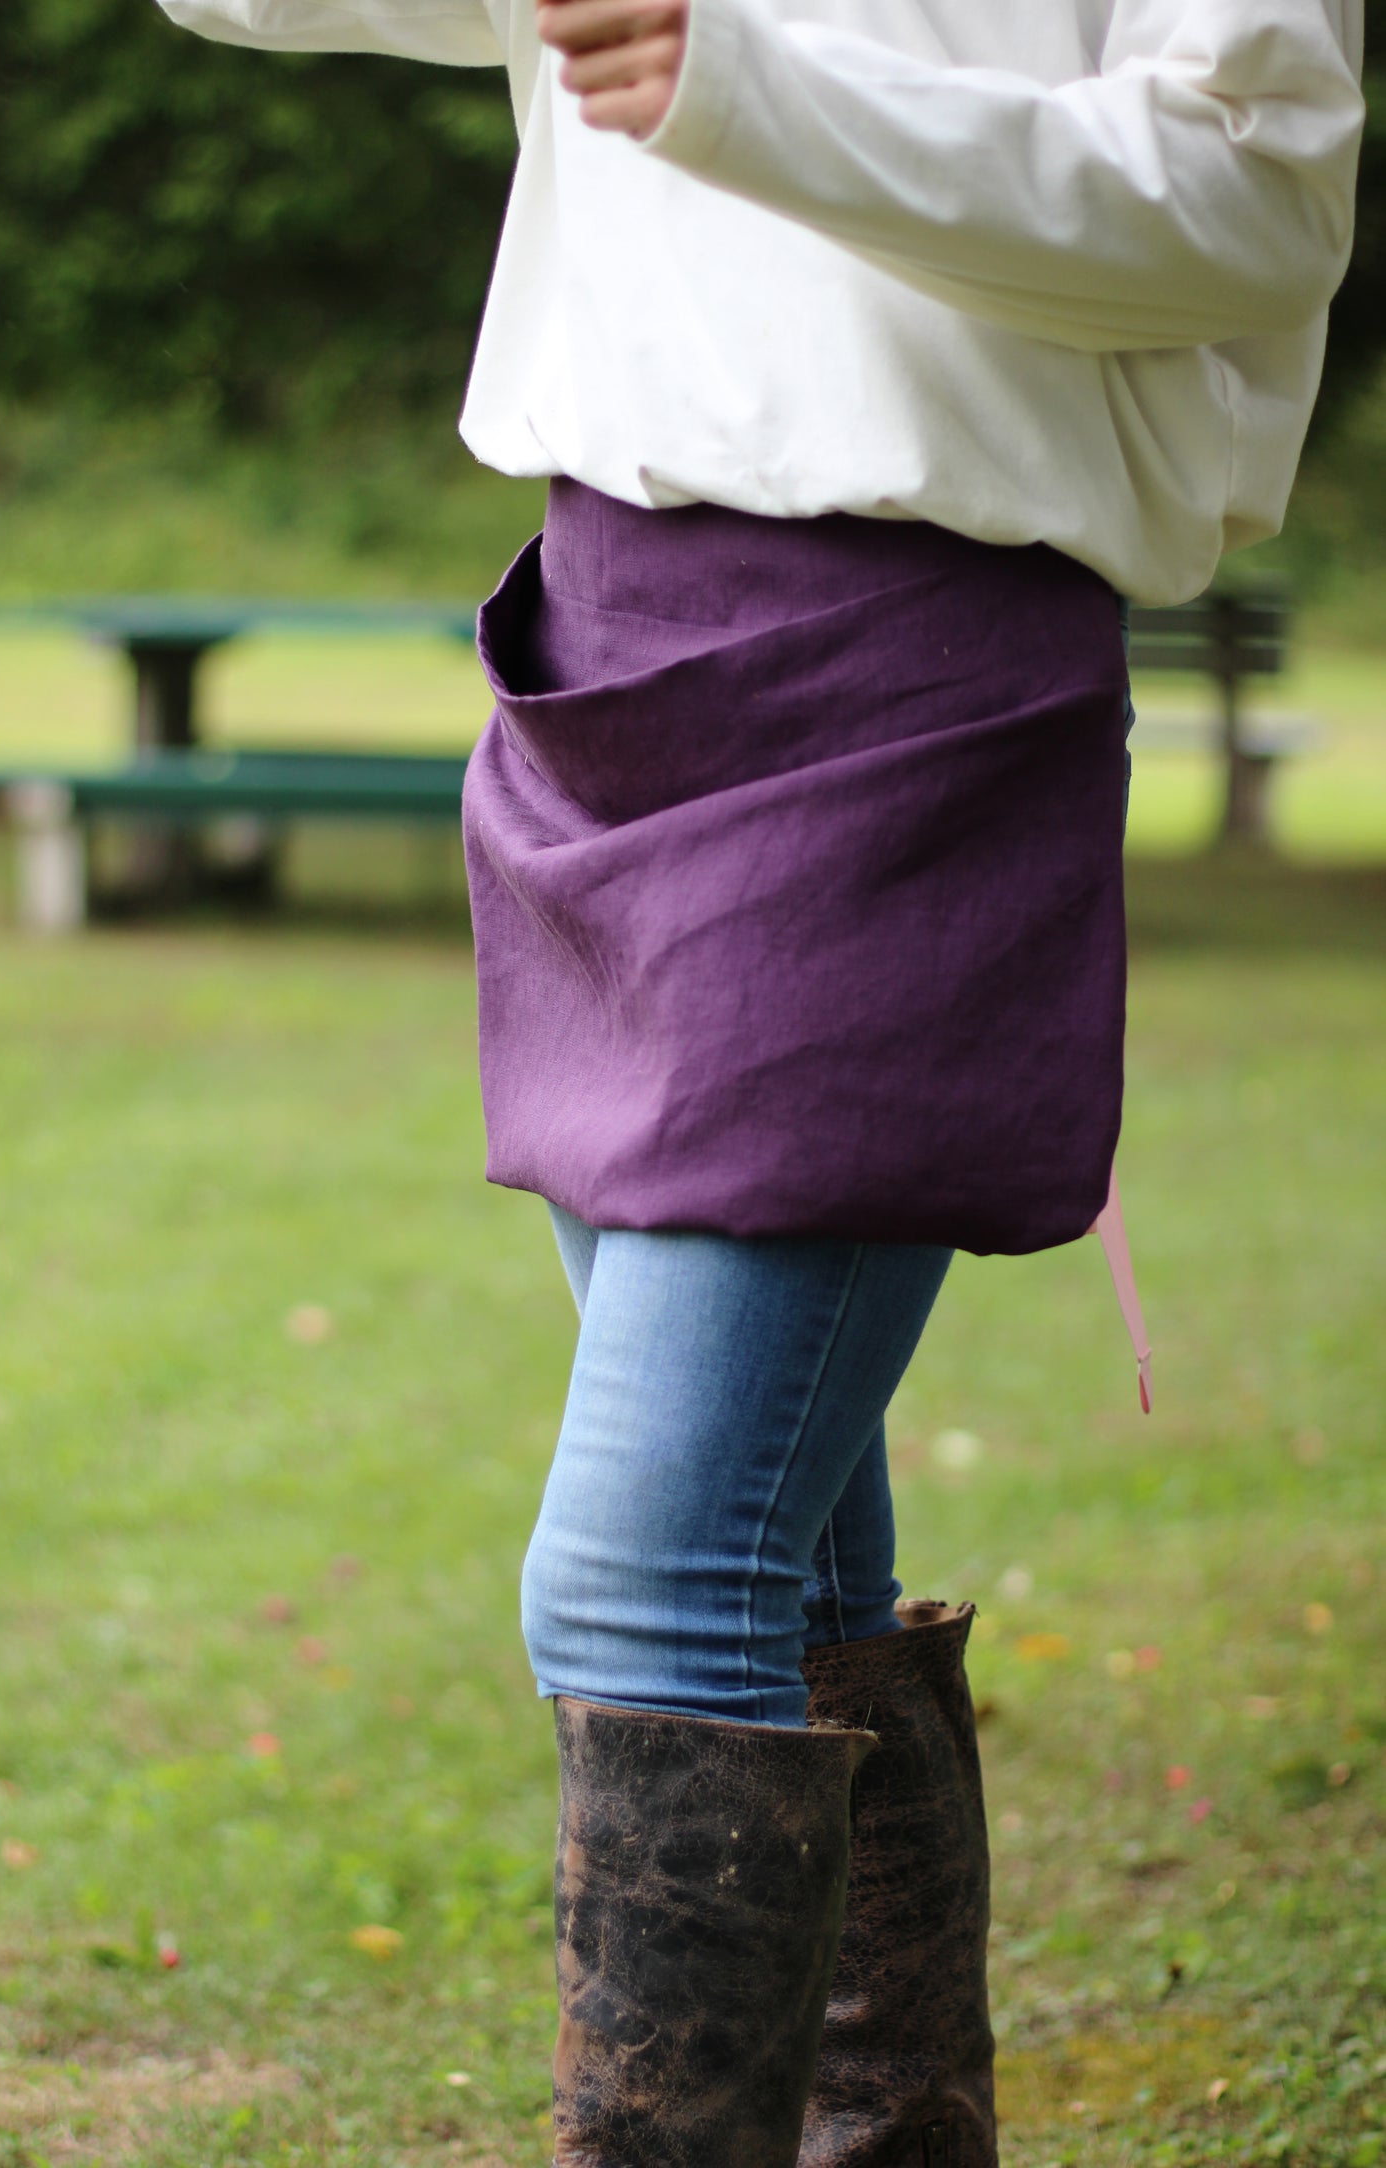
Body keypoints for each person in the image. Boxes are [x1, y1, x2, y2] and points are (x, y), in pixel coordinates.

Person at [156, 0, 1364, 2159]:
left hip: (912, 675)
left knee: (641, 1576)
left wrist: (749, 86)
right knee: (792, 1581)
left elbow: (1253, 208)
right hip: (610, 650)